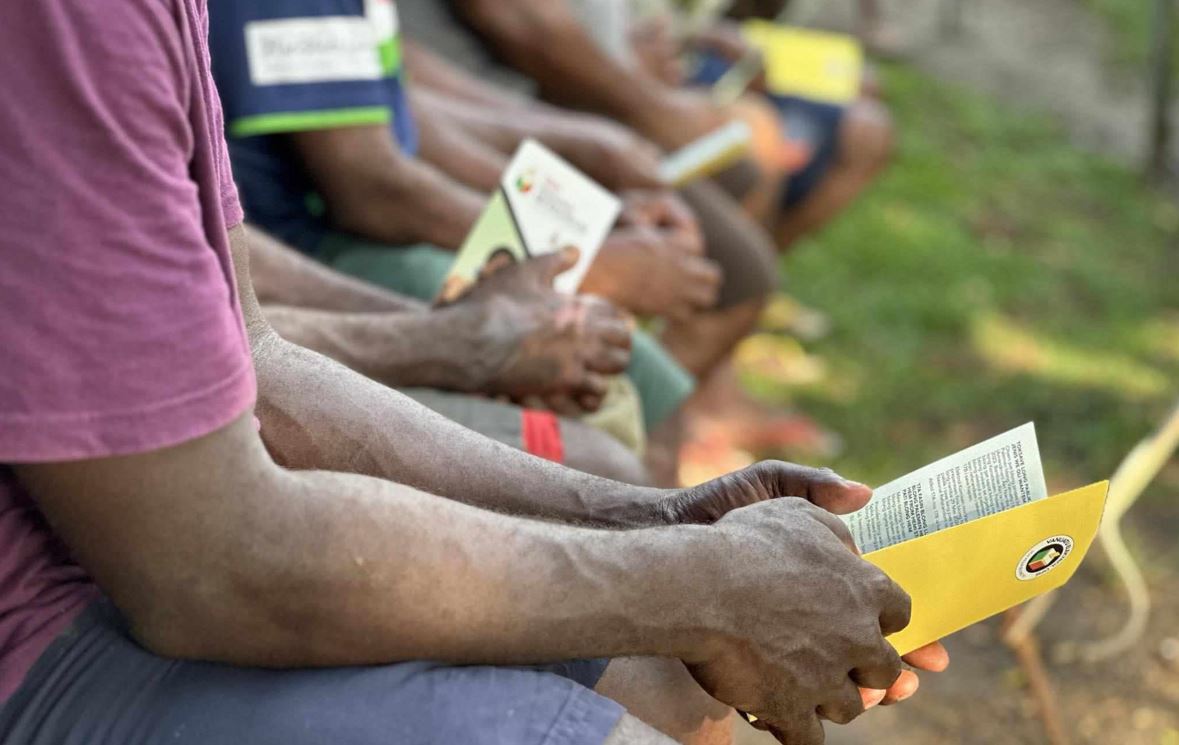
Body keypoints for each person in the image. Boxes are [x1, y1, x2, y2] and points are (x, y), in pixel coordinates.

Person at [0, 2, 949, 744]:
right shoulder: (64, 27)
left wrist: (660, 521)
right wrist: (703, 585)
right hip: (55, 632)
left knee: (677, 688)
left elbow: (251, 349)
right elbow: (209, 561)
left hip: (124, 563)